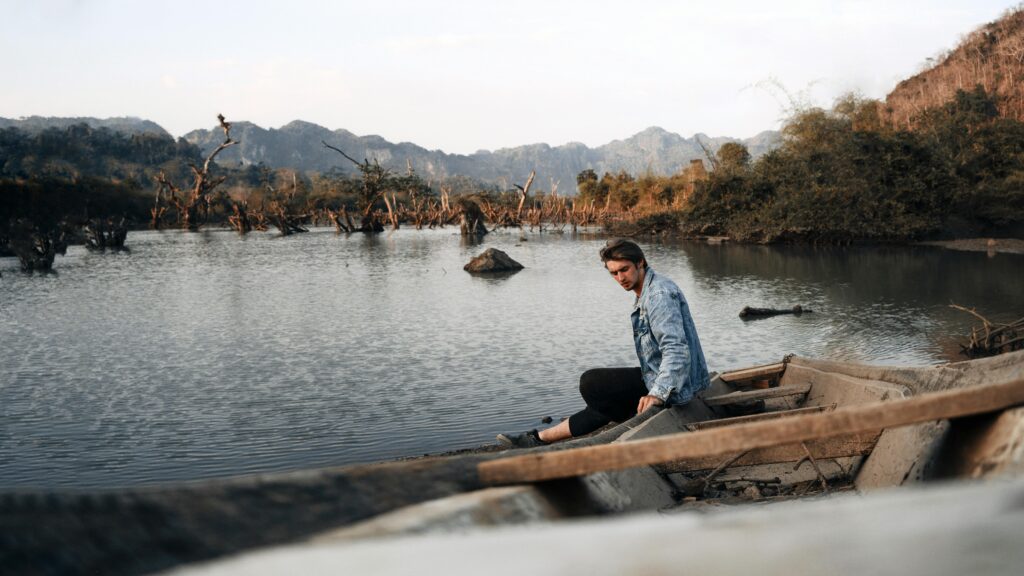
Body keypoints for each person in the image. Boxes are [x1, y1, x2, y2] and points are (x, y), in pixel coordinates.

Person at [498, 238, 710, 448]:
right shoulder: (648, 289)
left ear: (641, 263)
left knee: (592, 383)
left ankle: (541, 439)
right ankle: (538, 438)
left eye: (624, 269)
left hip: (677, 385)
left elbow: (676, 349)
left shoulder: (658, 295)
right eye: (613, 273)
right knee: (606, 401)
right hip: (665, 376)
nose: (620, 278)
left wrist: (657, 393)